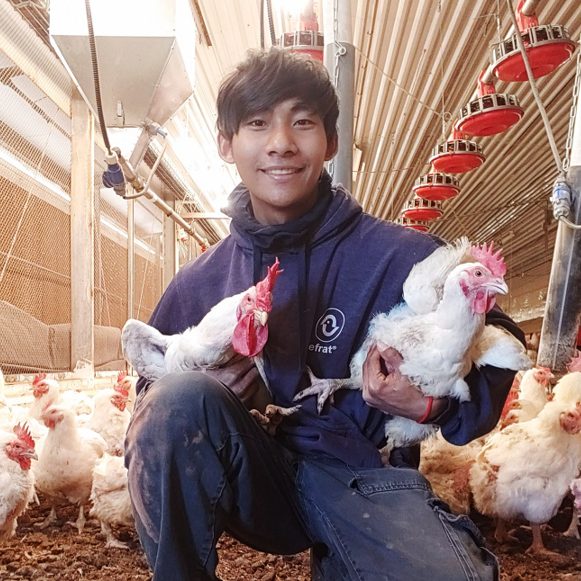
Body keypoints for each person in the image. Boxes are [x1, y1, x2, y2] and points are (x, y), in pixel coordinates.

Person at [125, 47, 522, 581]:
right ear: (226, 142)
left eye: (303, 122)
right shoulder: (201, 282)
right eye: (257, 123)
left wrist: (429, 405)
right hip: (250, 473)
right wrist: (207, 393)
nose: (281, 143)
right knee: (176, 399)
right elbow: (150, 405)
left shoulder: (398, 256)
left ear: (331, 142)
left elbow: (499, 338)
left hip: (363, 473)